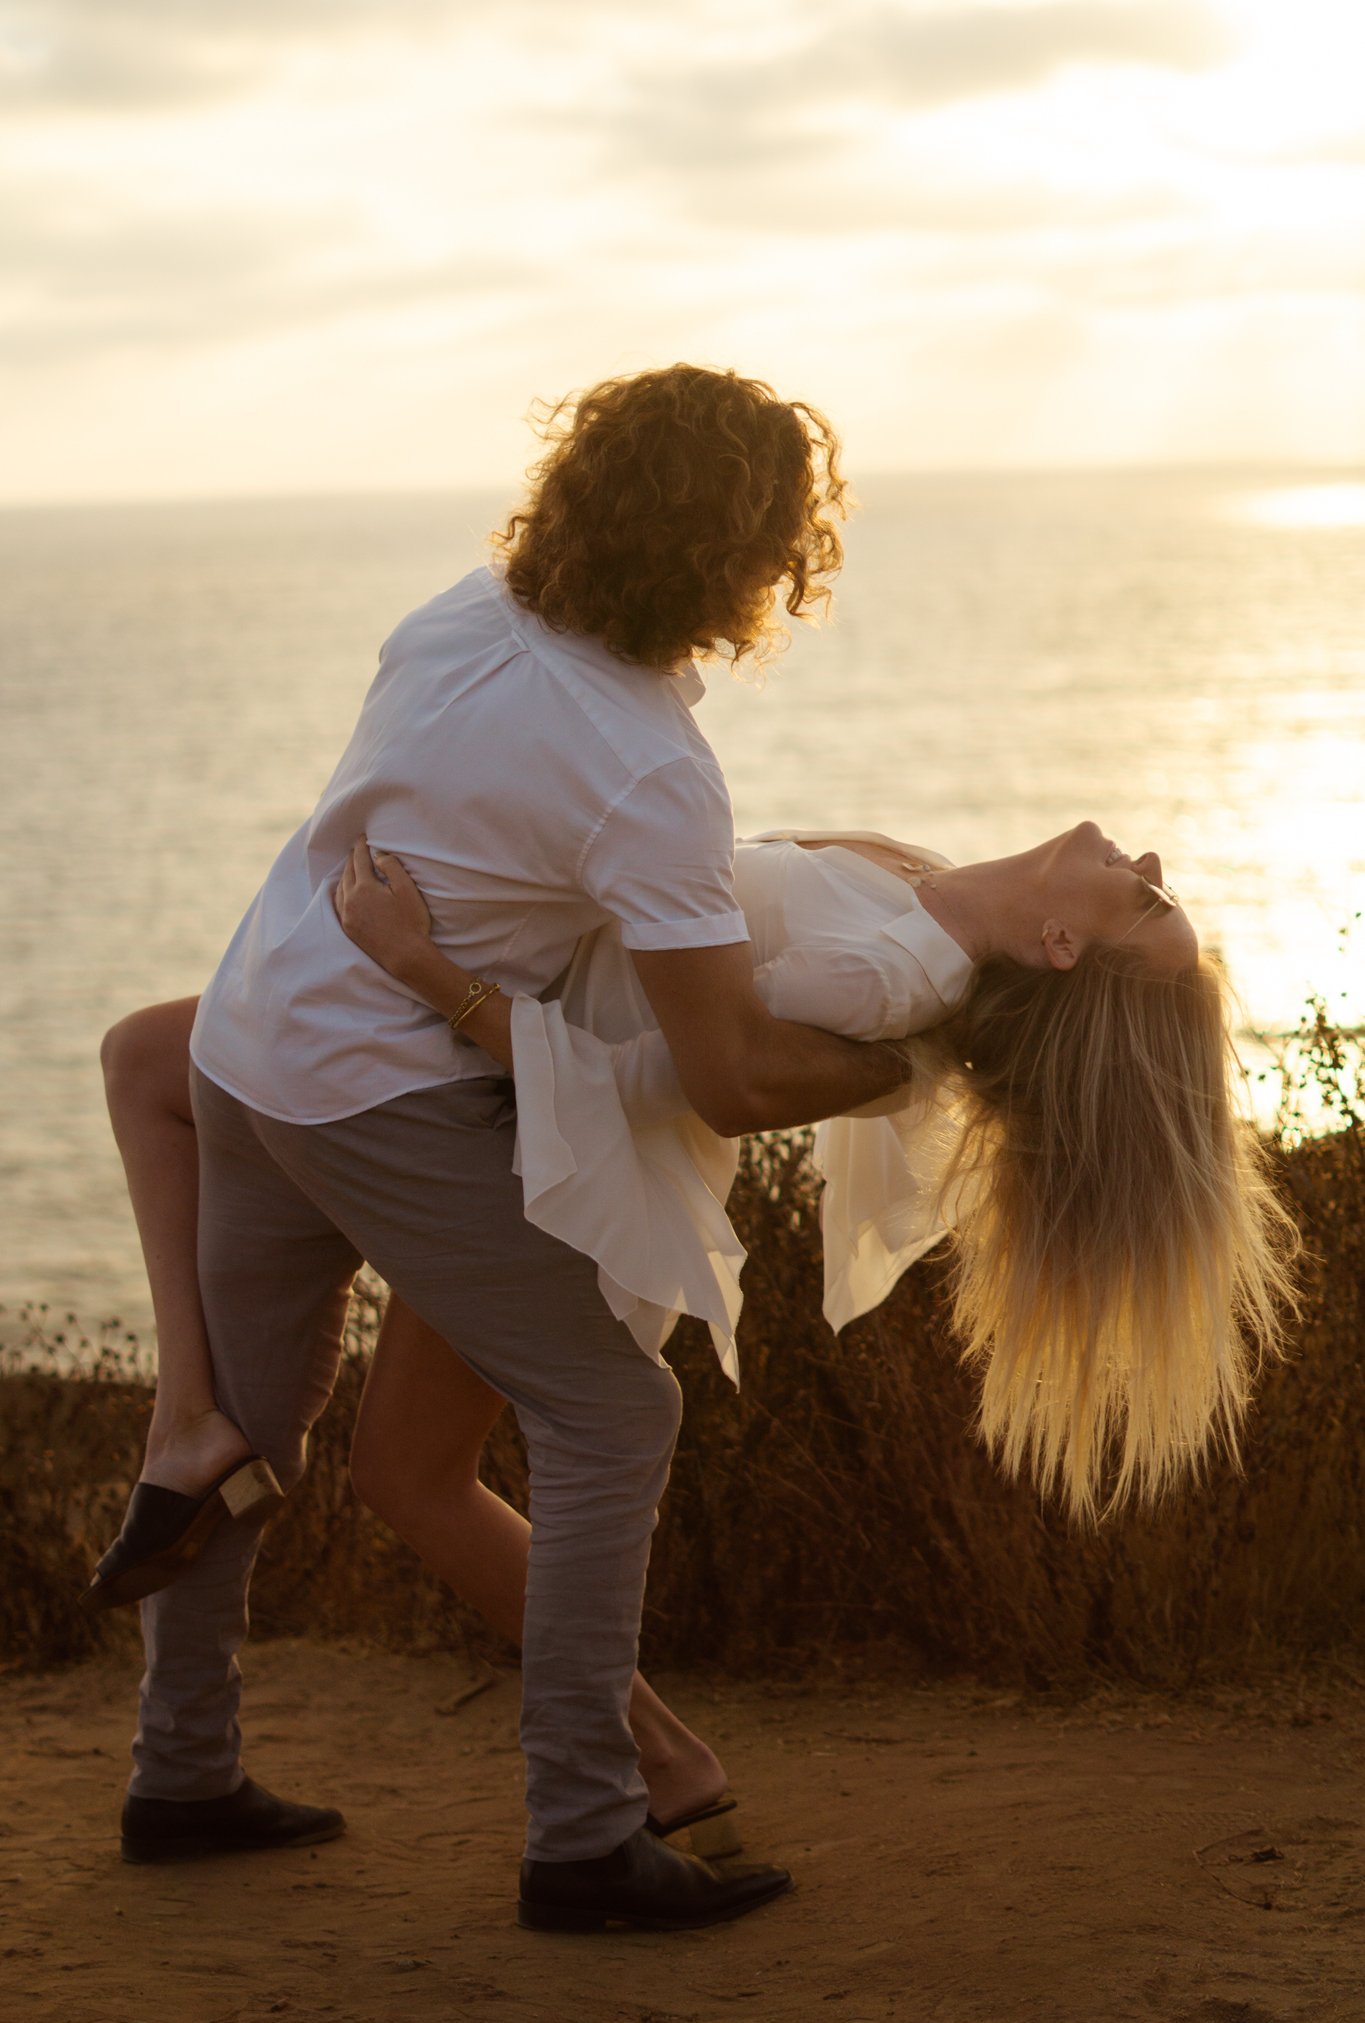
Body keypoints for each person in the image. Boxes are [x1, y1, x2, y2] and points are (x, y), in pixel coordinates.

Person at [93, 362, 926, 1933]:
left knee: (243, 1428)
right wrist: (912, 1066)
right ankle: (585, 1836)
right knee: (614, 1411)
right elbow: (731, 1078)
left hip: (248, 1042)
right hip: (374, 1095)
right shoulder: (647, 766)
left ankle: (181, 1774)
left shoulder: (463, 613)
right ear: (744, 553)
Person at [95, 820, 1296, 1794]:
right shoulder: (932, 902)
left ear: (1062, 945)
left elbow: (643, 1075)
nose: (1148, 861)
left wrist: (426, 967)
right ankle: (191, 1429)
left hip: (523, 1136)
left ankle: (651, 1760)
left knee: (408, 1473)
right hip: (478, 1061)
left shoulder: (886, 988)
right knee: (152, 1060)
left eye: (1146, 900)